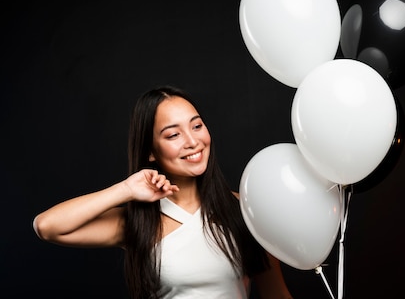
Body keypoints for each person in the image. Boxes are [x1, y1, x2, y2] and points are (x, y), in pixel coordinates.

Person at [33, 85, 294, 299]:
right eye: (173, 135)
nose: (192, 142)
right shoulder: (138, 222)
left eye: (196, 126)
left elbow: (277, 295)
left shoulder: (245, 210)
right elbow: (47, 226)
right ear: (150, 151)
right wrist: (125, 189)